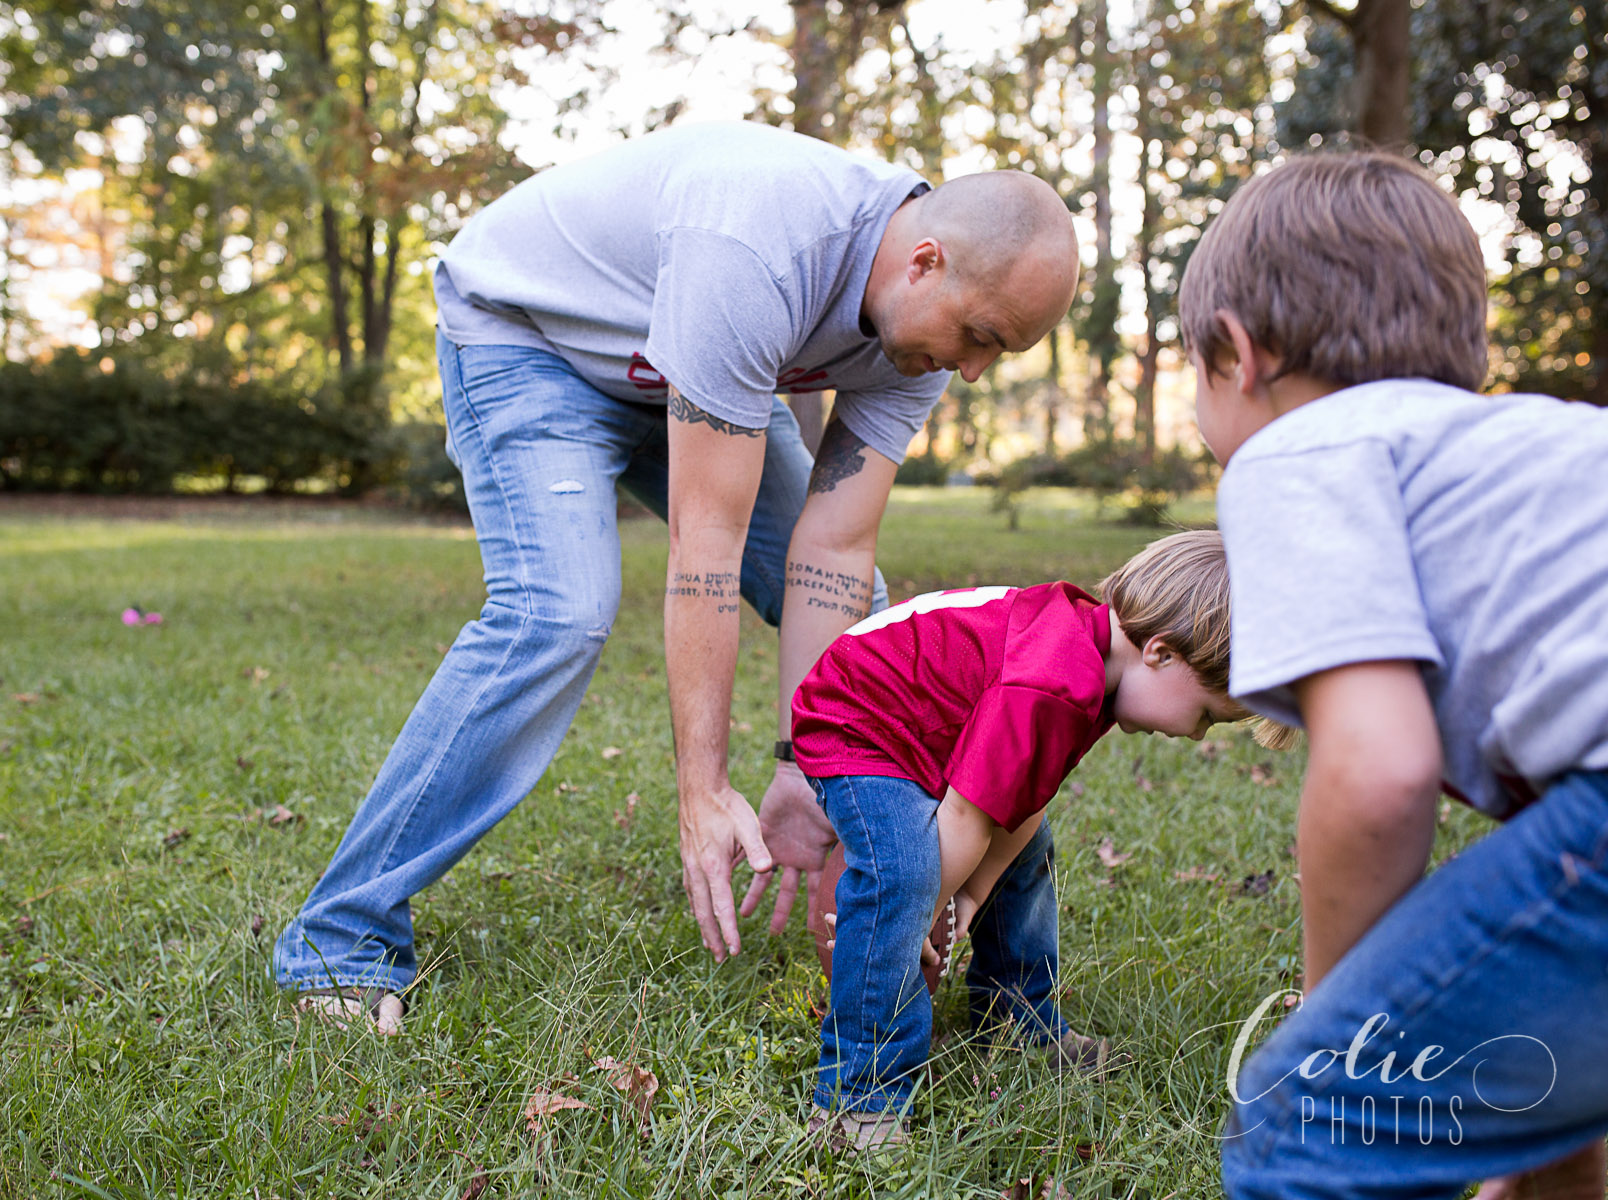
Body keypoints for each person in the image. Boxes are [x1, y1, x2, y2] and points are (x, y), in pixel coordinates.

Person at [270, 121, 1081, 1031]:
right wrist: (702, 790)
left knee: (883, 637)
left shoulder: (921, 333)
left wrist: (805, 763)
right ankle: (338, 938)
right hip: (529, 339)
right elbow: (707, 543)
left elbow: (836, 552)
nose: (972, 372)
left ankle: (1006, 989)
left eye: (995, 353)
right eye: (977, 337)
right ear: (924, 262)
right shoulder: (759, 241)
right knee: (558, 612)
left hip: (678, 376)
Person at [1181, 152, 1608, 1200]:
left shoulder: (1299, 448)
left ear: (1239, 354)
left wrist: (1340, 1022)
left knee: (1306, 1122)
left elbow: (1378, 770)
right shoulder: (1533, 446)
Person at [791, 530, 1291, 1146]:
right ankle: (858, 1100)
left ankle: (1019, 1022)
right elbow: (967, 821)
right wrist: (925, 912)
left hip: (928, 731)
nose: (1196, 736)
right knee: (904, 875)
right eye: (1208, 715)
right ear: (1161, 653)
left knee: (1029, 852)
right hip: (863, 724)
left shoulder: (1094, 669)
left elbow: (1021, 799)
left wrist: (968, 899)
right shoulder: (1057, 678)